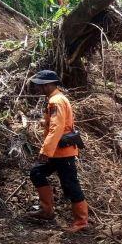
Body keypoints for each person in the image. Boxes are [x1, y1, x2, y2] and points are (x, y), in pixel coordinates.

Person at [27, 70, 89, 233]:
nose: (38, 89)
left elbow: (57, 128)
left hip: (62, 152)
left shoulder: (56, 101)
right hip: (57, 152)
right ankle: (47, 211)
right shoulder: (55, 100)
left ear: (48, 85)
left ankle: (81, 221)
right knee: (37, 172)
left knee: (70, 184)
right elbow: (56, 124)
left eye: (40, 86)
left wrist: (45, 150)